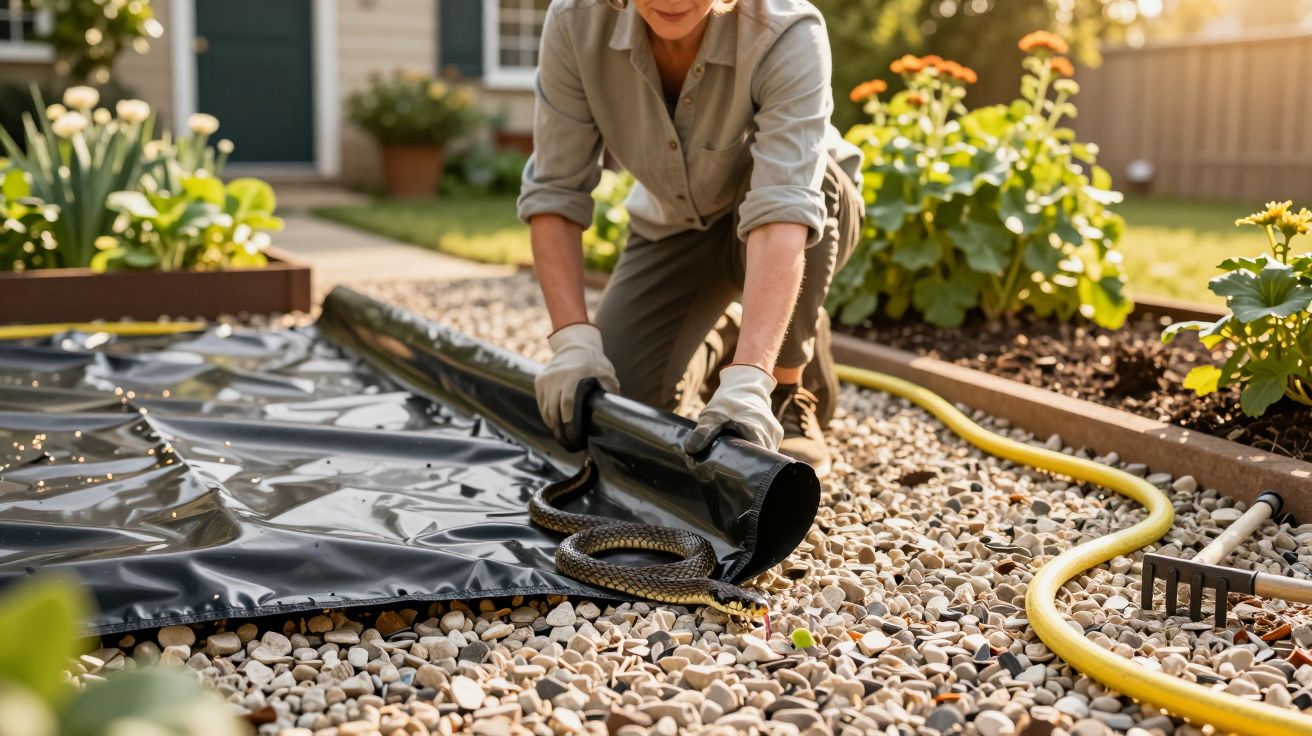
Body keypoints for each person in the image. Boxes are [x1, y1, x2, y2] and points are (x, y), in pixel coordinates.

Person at [520, 0, 863, 475]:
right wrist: (573, 341)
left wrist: (751, 381)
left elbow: (783, 210)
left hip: (789, 218)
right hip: (675, 223)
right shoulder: (575, 21)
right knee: (626, 406)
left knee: (816, 183)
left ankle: (786, 386)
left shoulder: (788, 29)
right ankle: (728, 334)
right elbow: (555, 193)